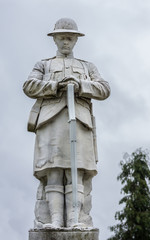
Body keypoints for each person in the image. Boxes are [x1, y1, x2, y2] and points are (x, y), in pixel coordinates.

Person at [23, 18, 110, 228]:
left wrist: (81, 85)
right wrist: (55, 85)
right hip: (50, 122)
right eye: (62, 38)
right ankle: (53, 220)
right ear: (54, 39)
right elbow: (29, 86)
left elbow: (104, 88)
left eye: (69, 38)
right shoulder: (43, 65)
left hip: (79, 123)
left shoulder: (87, 66)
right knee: (53, 171)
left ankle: (75, 220)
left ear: (76, 41)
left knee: (76, 173)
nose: (65, 42)